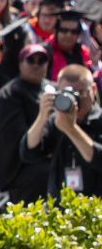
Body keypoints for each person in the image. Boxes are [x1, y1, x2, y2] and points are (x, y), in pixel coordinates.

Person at [21, 64, 102, 198]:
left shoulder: (99, 119)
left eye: (80, 93)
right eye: (67, 93)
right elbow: (28, 153)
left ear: (93, 89)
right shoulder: (55, 120)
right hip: (61, 209)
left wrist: (71, 130)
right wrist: (42, 117)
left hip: (95, 209)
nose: (74, 99)